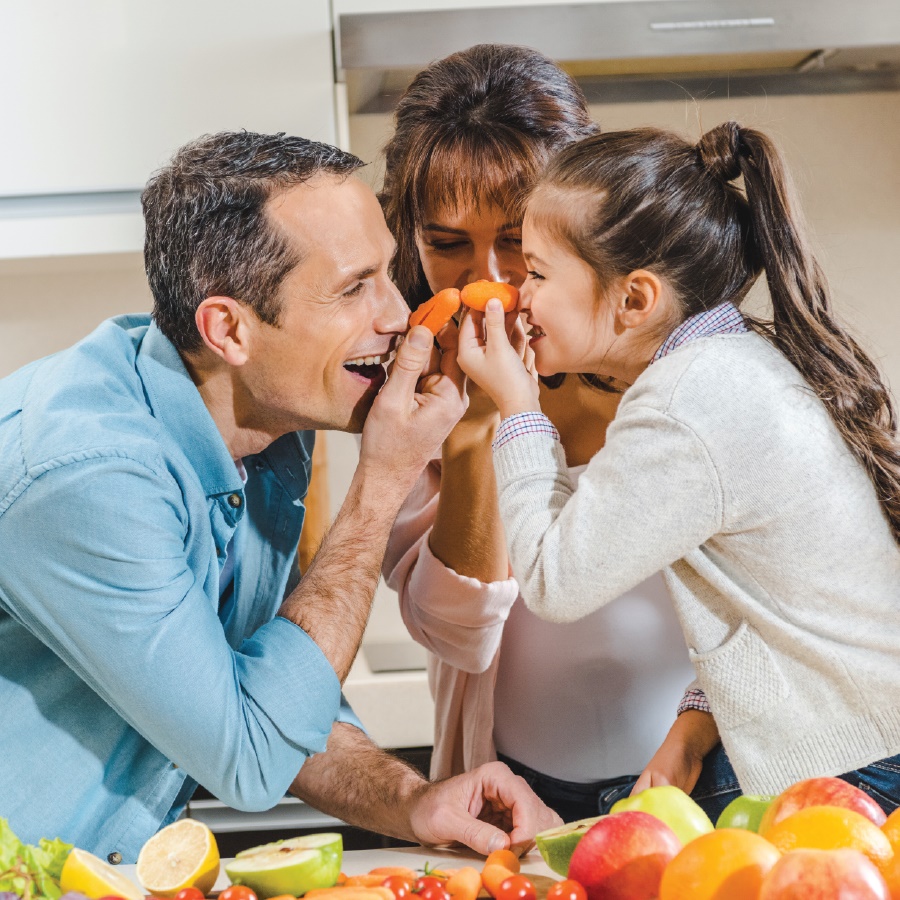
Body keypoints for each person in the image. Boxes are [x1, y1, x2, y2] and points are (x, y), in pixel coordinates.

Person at [0, 131, 561, 862]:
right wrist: (384, 479)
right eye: (355, 287)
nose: (398, 313)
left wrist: (412, 801)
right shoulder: (89, 480)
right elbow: (252, 755)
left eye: (390, 273)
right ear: (228, 329)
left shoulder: (263, 426)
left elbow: (272, 697)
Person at [456, 121, 900, 813]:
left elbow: (550, 582)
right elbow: (770, 608)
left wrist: (516, 405)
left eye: (538, 273)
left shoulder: (682, 403)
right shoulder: (731, 368)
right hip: (865, 742)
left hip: (854, 766)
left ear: (635, 300)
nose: (518, 296)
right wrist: (693, 729)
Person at [378, 43, 702, 823]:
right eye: (447, 243)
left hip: (707, 780)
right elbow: (460, 636)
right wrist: (476, 432)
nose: (489, 278)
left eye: (519, 239)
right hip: (517, 799)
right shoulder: (410, 401)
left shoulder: (679, 374)